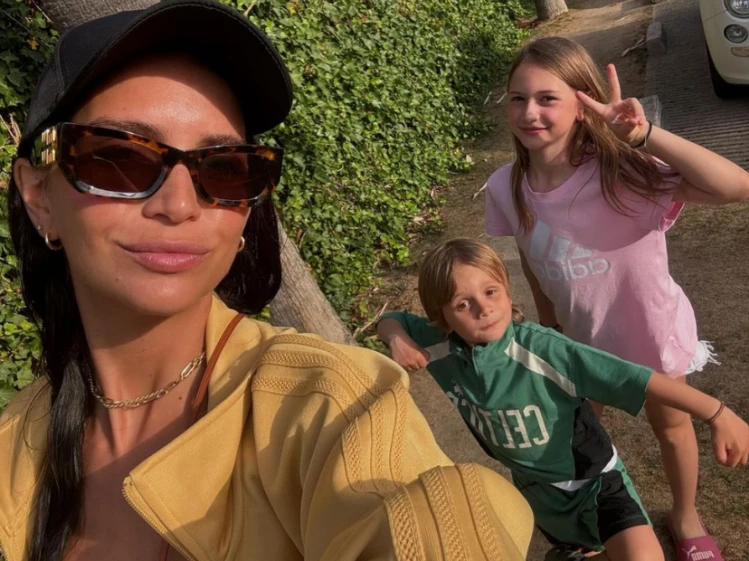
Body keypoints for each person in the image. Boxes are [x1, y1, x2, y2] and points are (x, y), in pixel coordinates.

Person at [0, 2, 536, 560]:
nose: (180, 205)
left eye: (224, 167)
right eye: (119, 158)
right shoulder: (13, 449)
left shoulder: (327, 402)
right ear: (39, 196)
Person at [482, 36, 749, 561]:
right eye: (518, 98)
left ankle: (685, 515)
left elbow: (736, 186)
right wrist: (549, 329)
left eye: (547, 98)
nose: (529, 112)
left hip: (649, 335)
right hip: (578, 345)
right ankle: (588, 523)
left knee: (671, 427)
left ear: (583, 105)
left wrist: (644, 136)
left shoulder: (625, 172)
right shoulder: (505, 186)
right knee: (579, 434)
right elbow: (533, 260)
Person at [376, 238, 749, 561]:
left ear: (507, 289)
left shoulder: (545, 350)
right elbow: (392, 319)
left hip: (596, 483)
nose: (483, 308)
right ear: (441, 318)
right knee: (583, 549)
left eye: (490, 292)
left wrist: (717, 413)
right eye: (463, 304)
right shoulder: (438, 345)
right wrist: (396, 337)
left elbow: (637, 378)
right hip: (536, 495)